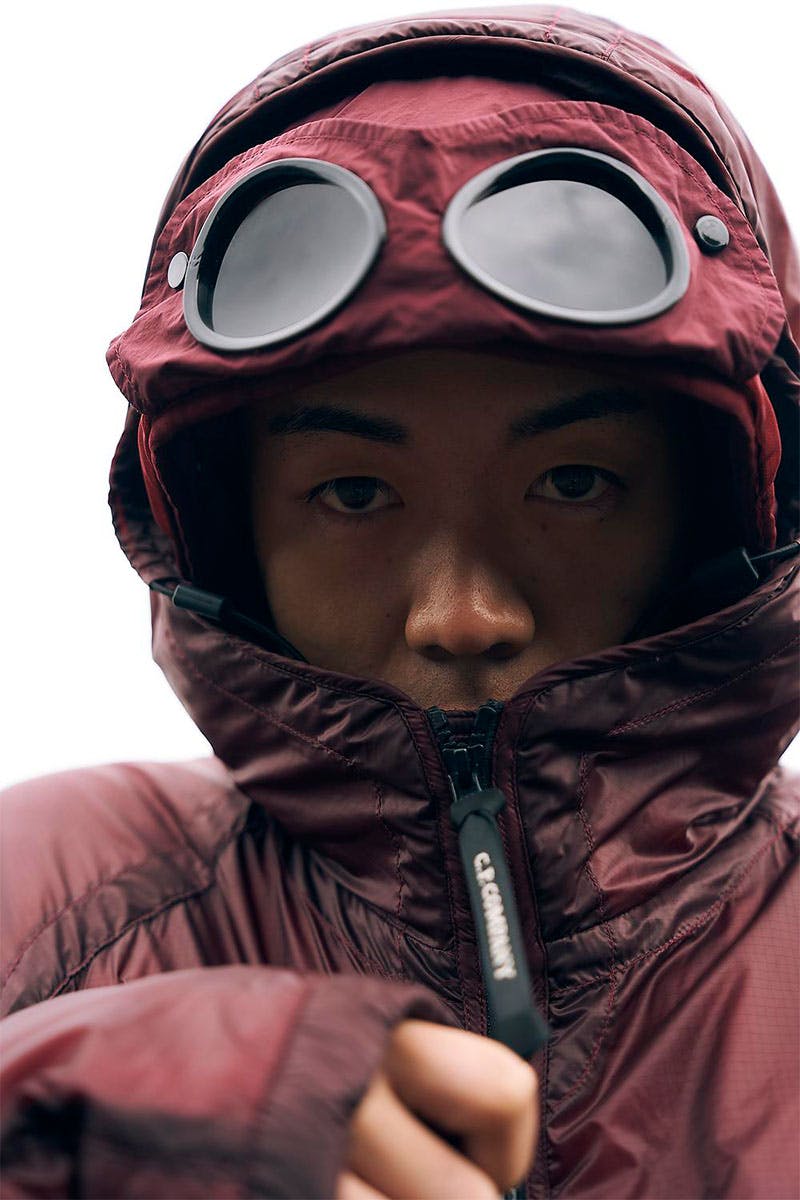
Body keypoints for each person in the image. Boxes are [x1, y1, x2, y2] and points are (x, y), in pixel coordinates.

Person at [1, 6, 798, 1198]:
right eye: (354, 492)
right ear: (228, 533)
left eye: (572, 484)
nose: (460, 615)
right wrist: (60, 1134)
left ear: (716, 514)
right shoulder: (48, 895)